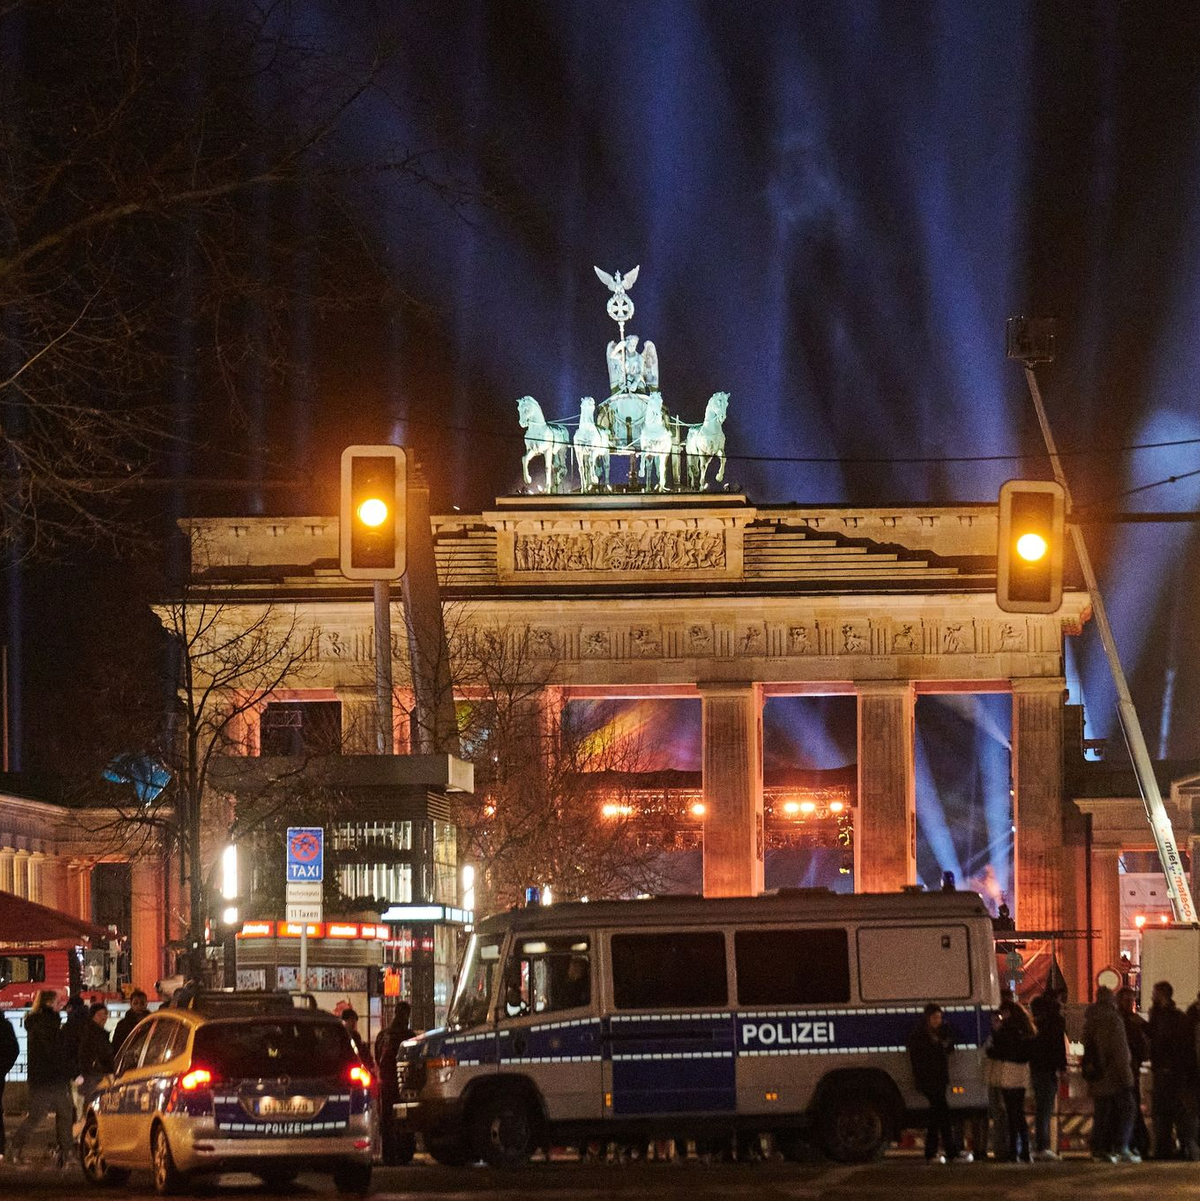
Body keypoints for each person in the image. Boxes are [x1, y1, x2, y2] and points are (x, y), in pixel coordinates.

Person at [8, 991, 74, 1167]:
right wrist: (71, 1072)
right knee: (44, 1115)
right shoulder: (46, 1024)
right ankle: (16, 1147)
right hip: (49, 1078)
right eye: (58, 1002)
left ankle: (66, 1152)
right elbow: (54, 1052)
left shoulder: (42, 1022)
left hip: (44, 1078)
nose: (61, 1005)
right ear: (49, 1003)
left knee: (61, 1113)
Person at [906, 1002, 969, 1163]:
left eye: (940, 1017)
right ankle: (947, 1152)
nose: (938, 1020)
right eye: (935, 1017)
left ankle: (935, 1152)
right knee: (941, 1115)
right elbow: (923, 1058)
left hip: (938, 1079)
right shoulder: (920, 1036)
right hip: (929, 1080)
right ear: (928, 1018)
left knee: (937, 1116)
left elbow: (949, 1048)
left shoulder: (938, 1033)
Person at [1083, 986, 1138, 1162]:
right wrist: (1126, 1077)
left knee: (1102, 1112)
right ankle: (1121, 1146)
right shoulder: (1113, 1019)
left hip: (1097, 1073)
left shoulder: (1090, 1019)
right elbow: (1119, 1050)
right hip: (1114, 1074)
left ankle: (1098, 1148)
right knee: (1128, 1108)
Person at [1148, 979, 1200, 1159]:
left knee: (1170, 1112)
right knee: (1172, 1112)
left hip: (1171, 1073)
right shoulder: (1170, 1016)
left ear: (1162, 995)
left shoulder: (1171, 1018)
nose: (1152, 996)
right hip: (1171, 1072)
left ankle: (1174, 1148)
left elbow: (1169, 1045)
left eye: (1155, 993)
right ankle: (1175, 1148)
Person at [986, 997, 1035, 1162]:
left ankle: (1013, 1150)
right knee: (1019, 1112)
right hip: (1022, 1073)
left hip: (1009, 1072)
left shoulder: (1006, 1030)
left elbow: (998, 1051)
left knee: (1011, 1112)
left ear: (1006, 1013)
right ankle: (1025, 1150)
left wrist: (994, 1035)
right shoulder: (1026, 1028)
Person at [374, 1002, 416, 1166]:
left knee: (387, 1118)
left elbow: (377, 1057)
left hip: (386, 1083)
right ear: (407, 1015)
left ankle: (388, 1155)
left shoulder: (383, 1035)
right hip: (404, 1083)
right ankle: (405, 1153)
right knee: (404, 1117)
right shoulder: (409, 1036)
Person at [1029, 988, 1068, 1160]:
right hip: (1049, 1068)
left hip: (1036, 1066)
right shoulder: (1055, 1020)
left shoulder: (1036, 1019)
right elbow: (1058, 1046)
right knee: (1045, 1108)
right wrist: (1063, 1068)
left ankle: (1040, 1145)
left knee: (1041, 1108)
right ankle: (1042, 1146)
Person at [1117, 987, 1151, 1157]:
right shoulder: (1124, 1021)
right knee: (1129, 1107)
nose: (1130, 1003)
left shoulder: (1132, 1021)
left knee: (1130, 1107)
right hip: (1125, 1070)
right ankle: (1132, 1143)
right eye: (1127, 1000)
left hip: (1131, 1070)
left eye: (1132, 1000)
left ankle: (1133, 1142)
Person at [77, 1001, 114, 1101]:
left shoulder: (101, 1034)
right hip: (94, 1076)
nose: (103, 1017)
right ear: (92, 1016)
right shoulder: (90, 1034)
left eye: (105, 1014)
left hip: (97, 1075)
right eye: (99, 1015)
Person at [0, 1011, 19, 1162]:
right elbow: (13, 1050)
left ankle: (1, 1147)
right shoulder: (5, 1025)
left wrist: (2, 1068)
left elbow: (13, 1050)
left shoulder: (4, 1025)